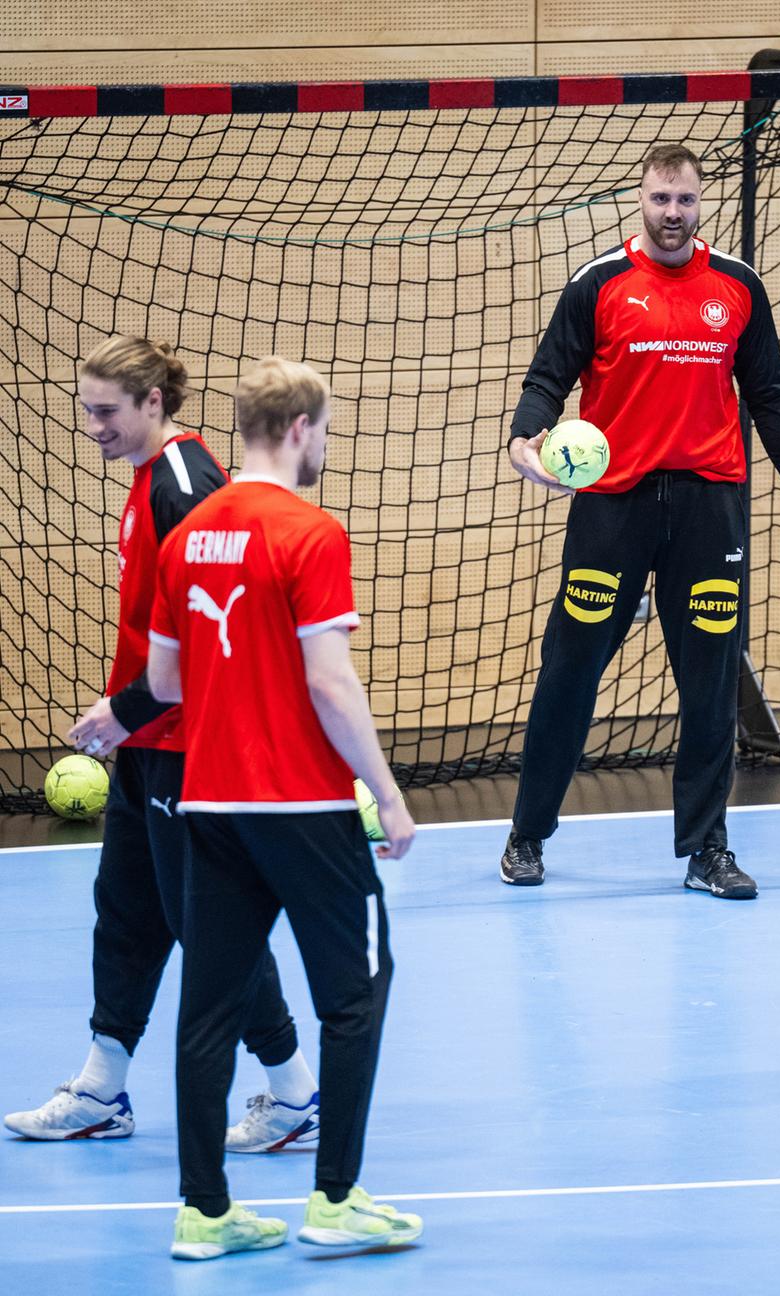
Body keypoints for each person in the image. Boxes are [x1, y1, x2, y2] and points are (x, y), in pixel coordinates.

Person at [4, 337, 318, 1152]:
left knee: (206, 925)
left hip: (192, 747)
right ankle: (103, 1089)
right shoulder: (150, 480)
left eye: (106, 412)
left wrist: (130, 708)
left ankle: (293, 1093)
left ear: (152, 404)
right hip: (153, 744)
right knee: (127, 909)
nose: (92, 427)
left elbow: (220, 630)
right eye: (87, 411)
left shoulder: (186, 485)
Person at [502, 143, 780, 898]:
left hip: (711, 508)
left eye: (684, 201)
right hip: (612, 508)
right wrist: (525, 440)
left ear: (700, 202)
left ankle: (707, 849)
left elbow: (773, 396)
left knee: (711, 683)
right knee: (570, 671)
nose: (672, 215)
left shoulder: (739, 288)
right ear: (640, 201)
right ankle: (526, 834)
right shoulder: (599, 285)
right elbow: (547, 378)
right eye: (660, 200)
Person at [148, 357, 420, 1260]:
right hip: (302, 805)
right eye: (328, 429)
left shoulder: (184, 535)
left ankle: (204, 1214)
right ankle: (335, 1199)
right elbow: (330, 684)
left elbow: (161, 680)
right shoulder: (311, 532)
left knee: (208, 1010)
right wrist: (386, 794)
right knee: (355, 995)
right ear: (300, 427)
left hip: (209, 803)